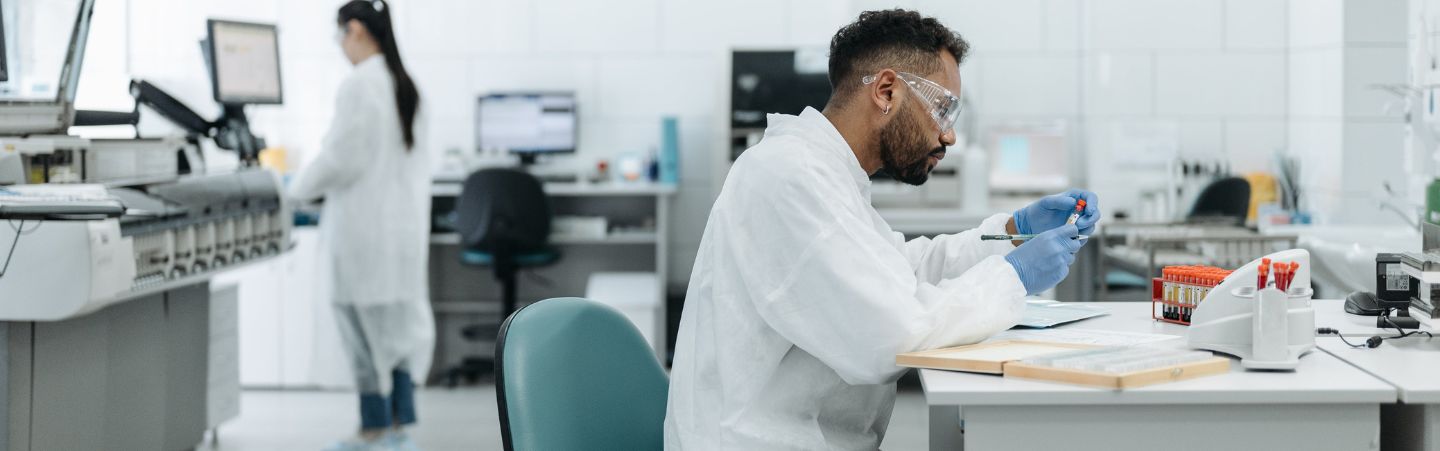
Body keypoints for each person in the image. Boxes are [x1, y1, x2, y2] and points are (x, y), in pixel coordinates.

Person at [664, 9, 1099, 450]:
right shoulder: (789, 175)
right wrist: (1014, 276)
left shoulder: (825, 173)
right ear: (887, 91)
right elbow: (893, 333)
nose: (949, 136)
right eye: (943, 109)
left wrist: (1012, 231)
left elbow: (898, 273)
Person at [288, 1, 433, 450]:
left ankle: (374, 430)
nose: (340, 47)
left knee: (363, 340)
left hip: (363, 236)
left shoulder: (359, 87)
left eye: (340, 36)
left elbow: (340, 160)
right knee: (395, 338)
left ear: (355, 30)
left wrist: (291, 190)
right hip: (400, 235)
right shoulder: (405, 84)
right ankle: (398, 426)